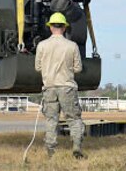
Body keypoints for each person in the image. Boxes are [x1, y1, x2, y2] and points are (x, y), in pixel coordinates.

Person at [35, 12, 85, 159]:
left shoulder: (42, 45)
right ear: (64, 28)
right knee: (74, 118)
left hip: (49, 87)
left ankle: (50, 151)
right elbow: (78, 69)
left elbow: (38, 68)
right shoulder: (72, 46)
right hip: (67, 87)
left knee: (51, 120)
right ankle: (76, 147)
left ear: (50, 27)